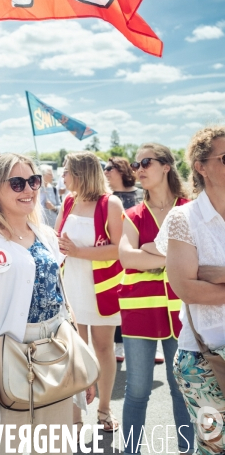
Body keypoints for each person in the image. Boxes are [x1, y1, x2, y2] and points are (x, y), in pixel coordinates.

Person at [0, 153, 89, 454]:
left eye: (33, 181)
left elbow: (60, 298)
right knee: (9, 446)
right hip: (11, 355)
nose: (28, 190)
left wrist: (80, 357)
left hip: (56, 352)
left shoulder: (45, 234)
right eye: (17, 183)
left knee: (56, 446)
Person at [118, 142, 194, 455]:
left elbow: (201, 256)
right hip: (139, 312)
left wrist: (150, 249)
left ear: (166, 166)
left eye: (145, 162)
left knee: (182, 390)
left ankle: (188, 450)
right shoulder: (133, 213)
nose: (139, 170)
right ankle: (129, 451)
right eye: (136, 165)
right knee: (137, 390)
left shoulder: (190, 208)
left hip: (184, 312)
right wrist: (172, 254)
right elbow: (127, 259)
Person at [156, 126, 225, 454]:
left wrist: (213, 275)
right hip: (203, 359)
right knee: (214, 448)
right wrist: (197, 279)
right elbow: (186, 288)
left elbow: (198, 283)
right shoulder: (184, 218)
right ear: (201, 166)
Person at [56, 151, 123, 433]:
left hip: (101, 289)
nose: (63, 176)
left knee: (103, 348)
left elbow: (120, 248)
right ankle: (75, 414)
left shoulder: (111, 203)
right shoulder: (68, 201)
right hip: (71, 287)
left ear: (81, 173)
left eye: (67, 171)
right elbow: (57, 239)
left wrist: (79, 251)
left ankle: (105, 408)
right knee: (74, 353)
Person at [104, 156, 143, 362]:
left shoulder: (141, 193)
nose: (106, 171)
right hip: (116, 257)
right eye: (105, 168)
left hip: (142, 254)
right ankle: (120, 344)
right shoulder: (107, 198)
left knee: (143, 299)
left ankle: (150, 339)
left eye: (110, 168)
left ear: (122, 170)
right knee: (119, 300)